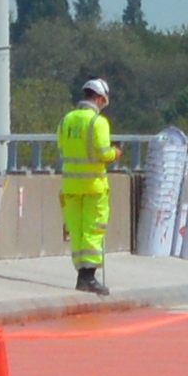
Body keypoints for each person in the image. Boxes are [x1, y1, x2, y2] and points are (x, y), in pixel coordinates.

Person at [56, 77, 120, 293]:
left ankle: (80, 276)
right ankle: (88, 277)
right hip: (93, 186)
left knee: (77, 231)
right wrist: (116, 153)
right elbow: (103, 153)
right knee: (93, 230)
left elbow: (62, 146)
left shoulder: (66, 120)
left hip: (71, 186)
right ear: (100, 99)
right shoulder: (98, 122)